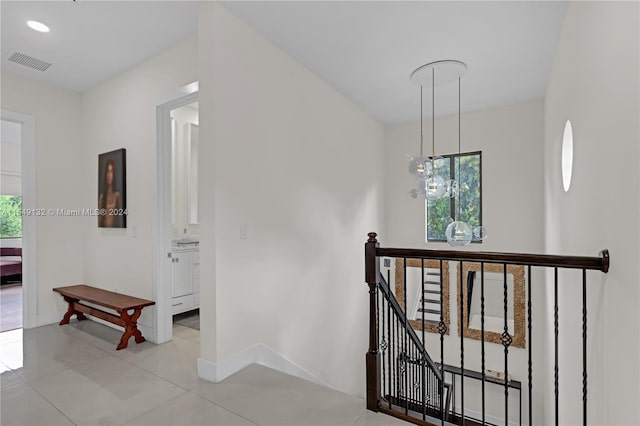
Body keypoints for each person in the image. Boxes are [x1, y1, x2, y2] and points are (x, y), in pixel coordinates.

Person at [98, 159, 123, 227]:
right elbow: (99, 220)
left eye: (111, 172)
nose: (109, 175)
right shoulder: (102, 197)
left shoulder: (117, 196)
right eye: (108, 172)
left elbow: (121, 220)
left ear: (114, 174)